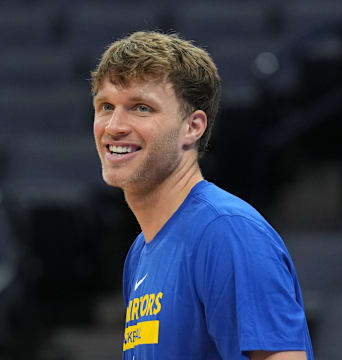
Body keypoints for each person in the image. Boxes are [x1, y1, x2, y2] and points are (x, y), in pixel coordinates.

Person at [91, 31, 314, 360]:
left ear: (192, 127)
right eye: (106, 106)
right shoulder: (140, 253)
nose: (113, 126)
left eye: (140, 107)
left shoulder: (228, 232)